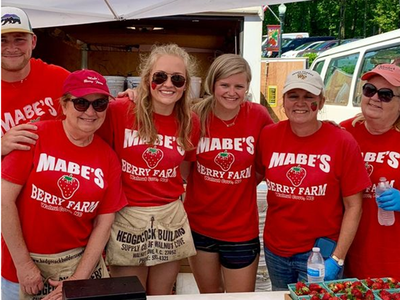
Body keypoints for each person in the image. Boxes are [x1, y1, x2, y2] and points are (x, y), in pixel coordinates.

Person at [1, 69, 127, 300]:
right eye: (80, 103)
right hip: (20, 269)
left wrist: (79, 279)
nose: (90, 112)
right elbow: (4, 201)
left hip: (77, 266)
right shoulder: (34, 136)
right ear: (64, 105)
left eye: (99, 104)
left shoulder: (108, 157)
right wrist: (24, 265)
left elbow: (104, 222)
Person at [97, 44, 200, 295]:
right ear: (147, 80)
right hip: (126, 215)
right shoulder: (119, 111)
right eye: (160, 77)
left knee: (161, 295)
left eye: (177, 79)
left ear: (185, 85)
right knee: (131, 293)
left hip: (169, 216)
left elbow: (184, 168)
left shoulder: (190, 121)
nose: (168, 84)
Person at [257, 69, 371, 290]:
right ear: (284, 101)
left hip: (319, 254)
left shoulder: (341, 141)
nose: (300, 103)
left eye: (309, 97)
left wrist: (337, 258)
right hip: (276, 251)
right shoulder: (269, 135)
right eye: (293, 96)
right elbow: (252, 176)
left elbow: (354, 206)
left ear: (321, 101)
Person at [183, 54, 274, 293]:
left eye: (239, 86)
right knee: (209, 296)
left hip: (240, 229)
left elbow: (273, 153)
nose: (231, 92)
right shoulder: (195, 116)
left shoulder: (258, 115)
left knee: (240, 298)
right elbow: (185, 168)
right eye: (224, 85)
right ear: (212, 84)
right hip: (200, 225)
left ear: (247, 87)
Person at [341, 64, 400, 279]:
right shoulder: (344, 132)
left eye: (385, 95)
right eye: (369, 90)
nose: (375, 98)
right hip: (349, 255)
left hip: (394, 257)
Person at [1, 6, 70, 157]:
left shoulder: (59, 78)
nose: (11, 48)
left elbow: (97, 105)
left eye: (19, 39)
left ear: (33, 41)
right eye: (2, 40)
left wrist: (131, 96)